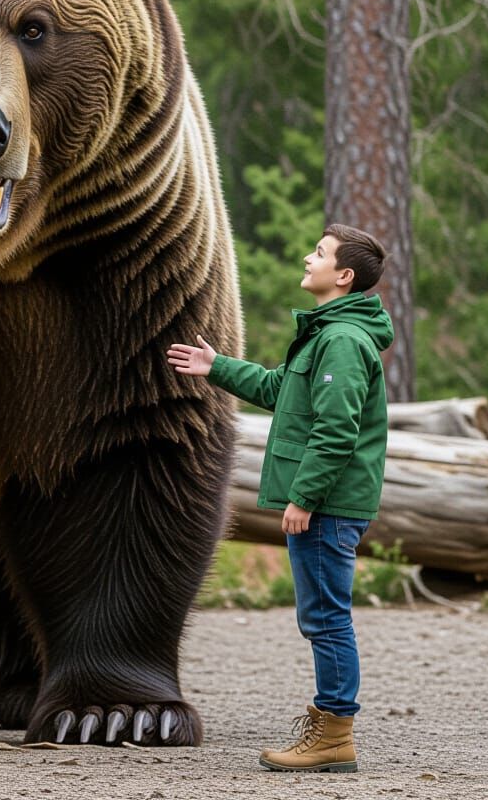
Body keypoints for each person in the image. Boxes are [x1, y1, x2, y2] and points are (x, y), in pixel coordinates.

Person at [167, 223, 392, 774]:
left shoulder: (342, 340)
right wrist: (216, 366)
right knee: (322, 616)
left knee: (326, 618)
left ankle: (334, 734)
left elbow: (336, 431)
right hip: (328, 503)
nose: (308, 258)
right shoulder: (326, 333)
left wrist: (304, 497)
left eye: (320, 253)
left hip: (329, 506)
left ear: (343, 275)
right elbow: (278, 390)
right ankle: (331, 727)